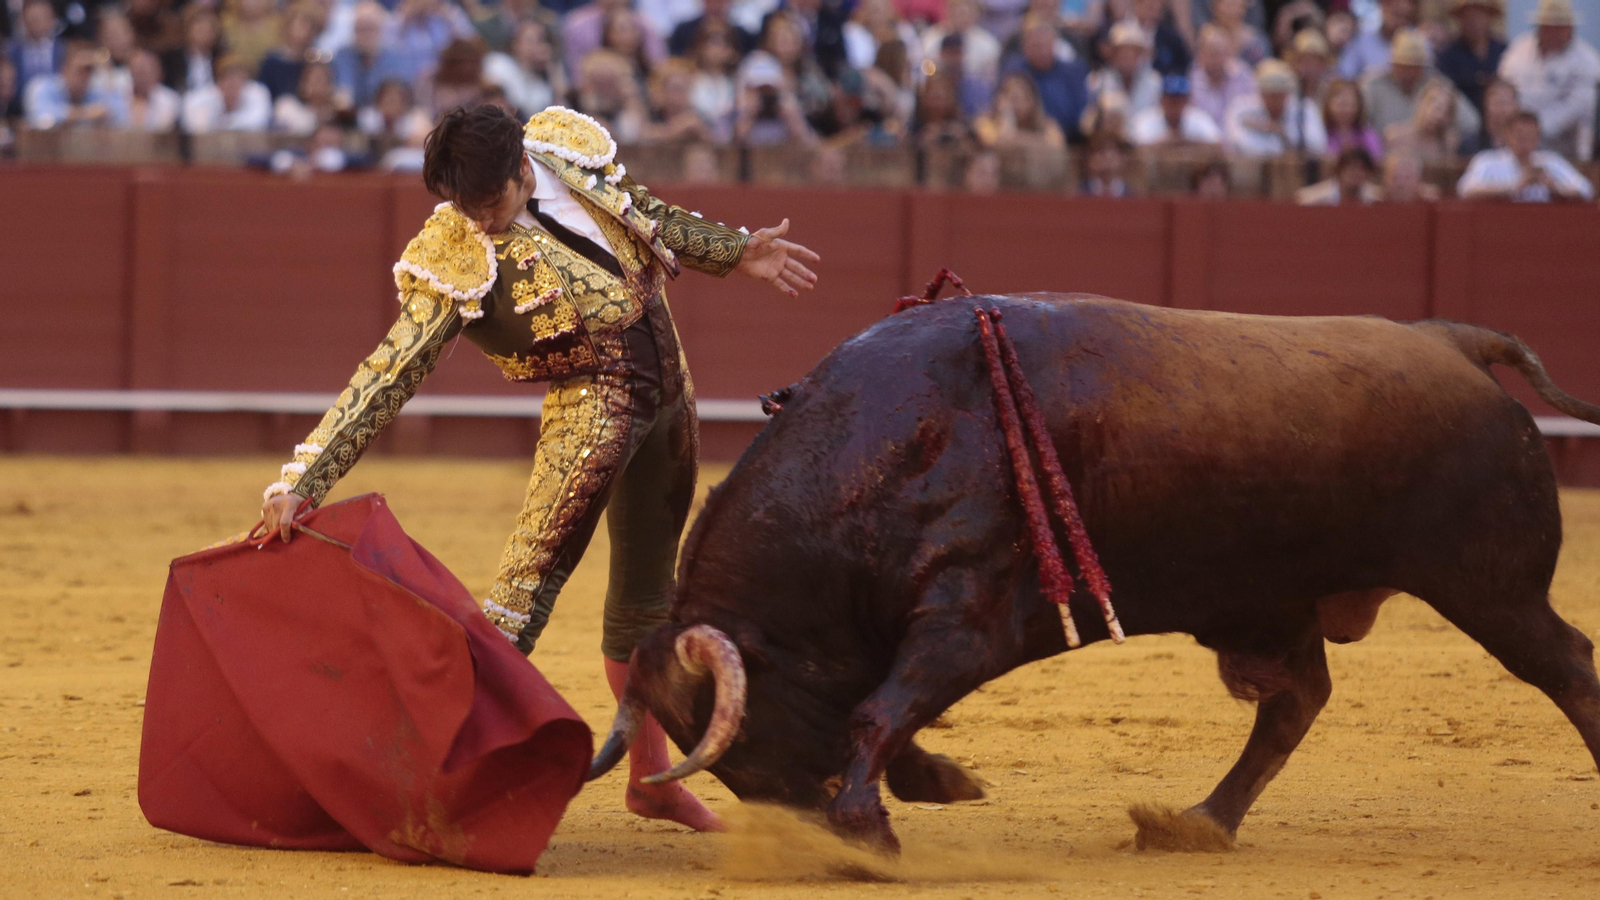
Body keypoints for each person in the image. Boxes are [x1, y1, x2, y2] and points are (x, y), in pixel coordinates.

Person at [256, 103, 820, 833]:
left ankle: (651, 780)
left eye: (491, 205)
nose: (481, 223)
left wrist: (734, 251)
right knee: (516, 610)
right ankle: (416, 785)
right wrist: (303, 478)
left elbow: (643, 213)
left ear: (524, 169)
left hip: (670, 400)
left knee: (648, 602)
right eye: (467, 208)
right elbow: (391, 369)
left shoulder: (566, 152)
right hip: (592, 415)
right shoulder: (456, 249)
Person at [1497, 0, 1600, 161]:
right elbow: (1504, 87)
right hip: (1516, 138)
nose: (1552, 32)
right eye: (1547, 26)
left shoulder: (1588, 61)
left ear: (1570, 29)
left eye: (1558, 27)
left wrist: (1532, 128)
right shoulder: (1518, 50)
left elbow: (1576, 106)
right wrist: (1517, 126)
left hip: (1565, 149)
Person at [1363, 28, 1480, 139]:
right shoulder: (1374, 86)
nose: (1409, 73)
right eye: (1403, 66)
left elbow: (1471, 123)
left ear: (1424, 67)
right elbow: (1355, 123)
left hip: (1429, 156)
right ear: (1392, 65)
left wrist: (1445, 134)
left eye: (1415, 67)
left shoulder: (1437, 84)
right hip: (1383, 154)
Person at [1457, 108, 1592, 200]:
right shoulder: (1488, 160)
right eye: (1520, 136)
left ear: (1538, 138)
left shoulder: (1550, 161)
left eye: (1531, 137)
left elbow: (1586, 190)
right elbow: (1466, 190)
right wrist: (1514, 187)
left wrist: (1555, 189)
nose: (1526, 142)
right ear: (1507, 135)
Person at [1007, 15, 1090, 141]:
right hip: (1024, 138)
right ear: (1024, 46)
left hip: (1070, 138)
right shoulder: (1014, 73)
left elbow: (1082, 111)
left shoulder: (1073, 72)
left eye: (1045, 45)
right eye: (1035, 45)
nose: (1041, 51)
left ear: (1054, 44)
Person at [1224, 57, 1327, 156]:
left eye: (1279, 93)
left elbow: (1317, 144)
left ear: (1287, 93)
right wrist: (1272, 134)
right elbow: (1238, 142)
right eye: (1270, 93)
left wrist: (1281, 132)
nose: (1275, 99)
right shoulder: (1241, 107)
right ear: (1261, 92)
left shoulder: (1305, 108)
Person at [23, 42, 129, 129]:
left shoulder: (94, 92)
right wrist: (86, 113)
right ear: (65, 70)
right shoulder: (42, 87)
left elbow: (120, 115)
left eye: (89, 71)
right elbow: (43, 120)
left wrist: (107, 73)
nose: (85, 77)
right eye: (80, 70)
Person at [332, 2, 411, 110]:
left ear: (381, 29)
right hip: (351, 116)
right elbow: (343, 93)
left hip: (386, 115)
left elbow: (398, 94)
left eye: (370, 28)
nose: (365, 35)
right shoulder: (343, 55)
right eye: (360, 29)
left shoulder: (397, 56)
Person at [484, 19, 565, 120]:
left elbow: (560, 112)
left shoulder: (541, 87)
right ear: (515, 43)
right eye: (530, 40)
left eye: (540, 41)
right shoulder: (498, 62)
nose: (536, 46)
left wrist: (552, 68)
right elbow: (496, 100)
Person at [1436, 0, 1506, 116]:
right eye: (1468, 17)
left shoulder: (1503, 51)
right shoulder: (1448, 55)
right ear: (1460, 20)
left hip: (1498, 118)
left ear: (1489, 18)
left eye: (1479, 17)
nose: (1474, 22)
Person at [1088, 20, 1162, 121]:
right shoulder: (1097, 82)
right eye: (1123, 52)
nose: (1128, 57)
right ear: (1113, 55)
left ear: (1139, 56)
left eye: (1133, 53)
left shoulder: (1154, 82)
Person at [974, 70, 1065, 149]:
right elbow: (997, 143)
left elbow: (1056, 146)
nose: (1018, 105)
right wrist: (1007, 116)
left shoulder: (1047, 125)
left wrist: (1016, 138)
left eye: (1024, 99)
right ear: (1000, 99)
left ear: (1033, 101)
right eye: (1013, 98)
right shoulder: (986, 122)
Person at [1189, 23, 1256, 130]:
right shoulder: (1191, 82)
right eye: (1213, 53)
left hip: (1240, 141)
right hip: (1204, 142)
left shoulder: (1243, 76)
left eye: (1222, 53)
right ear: (1200, 54)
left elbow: (1254, 114)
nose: (1218, 59)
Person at [182, 54, 272, 133]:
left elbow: (259, 121)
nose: (233, 82)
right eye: (228, 76)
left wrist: (223, 123)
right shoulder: (204, 97)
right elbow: (193, 126)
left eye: (239, 77)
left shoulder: (257, 92)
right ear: (219, 80)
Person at [919, 0, 1000, 84]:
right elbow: (924, 73)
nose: (961, 11)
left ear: (976, 11)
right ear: (947, 9)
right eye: (956, 7)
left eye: (967, 6)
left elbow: (989, 81)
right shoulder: (930, 38)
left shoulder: (988, 45)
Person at [1128, 72, 1222, 145]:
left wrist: (1184, 141)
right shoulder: (1146, 119)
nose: (1174, 105)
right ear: (1161, 100)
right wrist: (1172, 142)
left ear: (1186, 101)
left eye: (1178, 101)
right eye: (1170, 100)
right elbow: (1137, 146)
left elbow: (1217, 144)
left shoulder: (1199, 118)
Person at [1337, 0, 1419, 80]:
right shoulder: (1362, 40)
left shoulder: (1419, 41)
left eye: (1404, 16)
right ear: (1383, 7)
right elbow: (1345, 76)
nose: (1399, 21)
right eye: (1395, 13)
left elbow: (1426, 83)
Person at [258, 4, 321, 100]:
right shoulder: (272, 62)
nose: (307, 31)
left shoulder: (316, 63)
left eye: (313, 27)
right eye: (303, 24)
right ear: (289, 25)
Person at [6, 0, 64, 97]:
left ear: (52, 19)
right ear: (23, 20)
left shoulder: (64, 49)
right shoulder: (12, 52)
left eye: (40, 18)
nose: (36, 24)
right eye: (33, 19)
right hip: (20, 107)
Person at [161, 7, 224, 94]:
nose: (204, 31)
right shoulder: (172, 58)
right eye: (200, 27)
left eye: (209, 28)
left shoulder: (220, 58)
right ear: (188, 29)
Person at [1295, 145, 1382, 203]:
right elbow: (1301, 198)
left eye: (1361, 169)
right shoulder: (1323, 195)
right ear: (1340, 170)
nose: (1356, 173)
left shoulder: (1374, 198)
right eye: (1351, 168)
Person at [1322, 77, 1382, 161]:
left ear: (1359, 106)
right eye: (1341, 104)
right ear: (1328, 104)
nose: (1345, 110)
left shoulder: (1367, 134)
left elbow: (1376, 160)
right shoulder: (1320, 132)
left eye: (1350, 104)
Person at [669, 0, 755, 57]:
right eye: (711, 1)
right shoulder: (684, 31)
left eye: (720, 1)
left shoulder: (742, 35)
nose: (715, 6)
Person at [126, 49, 182, 131]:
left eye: (144, 72)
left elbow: (164, 129)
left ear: (158, 72)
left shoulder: (170, 99)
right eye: (136, 72)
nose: (141, 78)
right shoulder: (119, 96)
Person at [221, 0, 283, 74]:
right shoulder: (225, 24)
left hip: (271, 75)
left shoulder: (280, 24)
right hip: (233, 75)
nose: (252, 3)